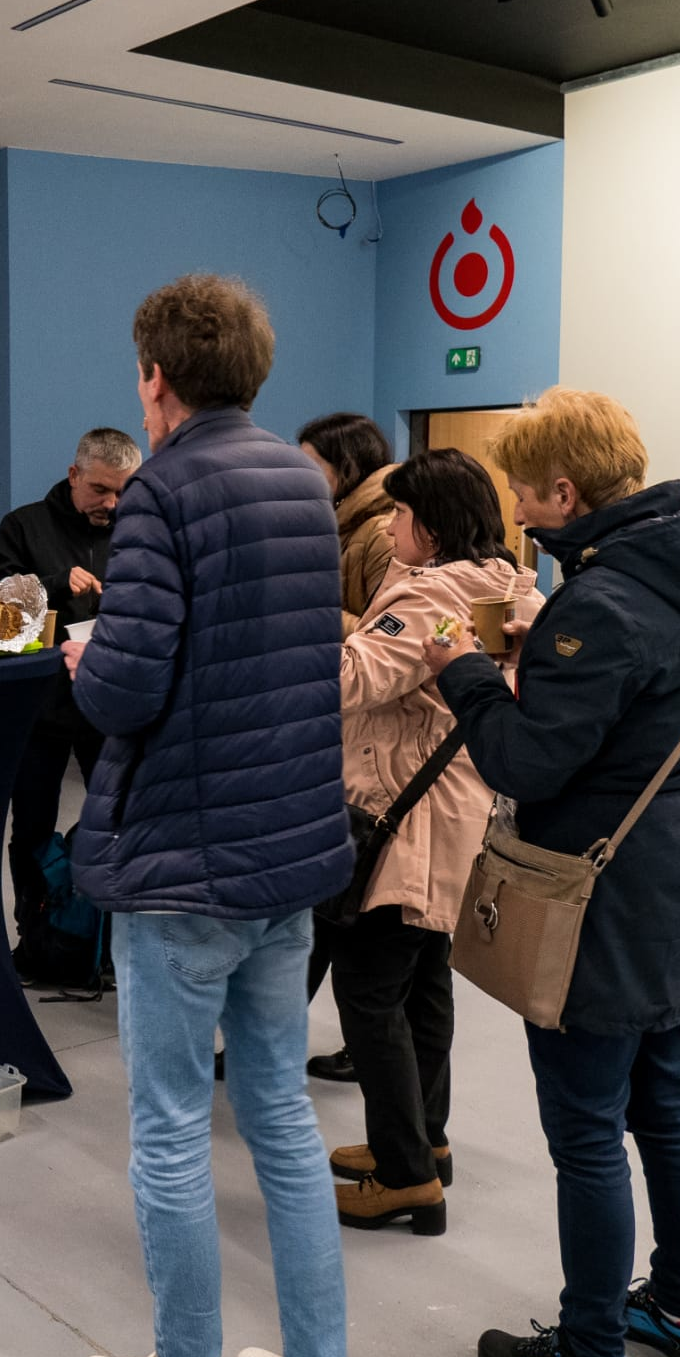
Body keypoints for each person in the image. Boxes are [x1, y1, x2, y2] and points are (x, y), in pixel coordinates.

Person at [424, 387, 680, 1357]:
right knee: (666, 1100)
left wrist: (466, 671)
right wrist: (552, 642)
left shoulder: (605, 603)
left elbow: (526, 757)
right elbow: (635, 707)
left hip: (599, 906)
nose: (517, 516)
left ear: (564, 489)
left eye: (524, 495)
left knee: (584, 1132)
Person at [65, 274, 359, 1357]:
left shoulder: (161, 492)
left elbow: (128, 683)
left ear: (153, 378)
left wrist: (79, 663)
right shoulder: (303, 479)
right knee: (281, 1117)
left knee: (173, 1129)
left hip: (184, 860)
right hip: (287, 855)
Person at [323, 448, 542, 1236]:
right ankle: (424, 1139)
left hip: (403, 818)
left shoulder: (426, 597)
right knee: (423, 983)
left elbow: (351, 679)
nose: (389, 527)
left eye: (400, 514)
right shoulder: (507, 588)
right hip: (458, 813)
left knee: (370, 990)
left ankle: (405, 1175)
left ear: (434, 525)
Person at [0, 427, 142, 956]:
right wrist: (56, 583)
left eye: (121, 492)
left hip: (109, 704)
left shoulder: (140, 531)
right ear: (73, 476)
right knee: (34, 825)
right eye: (100, 491)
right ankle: (35, 935)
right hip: (38, 705)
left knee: (118, 822)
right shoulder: (24, 525)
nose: (110, 504)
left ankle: (107, 940)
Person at [296, 412, 397, 1087]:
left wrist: (306, 609)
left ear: (345, 465)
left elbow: (390, 644)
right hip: (339, 738)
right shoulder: (348, 523)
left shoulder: (383, 531)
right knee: (320, 912)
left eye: (312, 462)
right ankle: (265, 1038)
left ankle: (272, 1040)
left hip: (366, 748)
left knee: (334, 913)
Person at [298, 412, 396, 621]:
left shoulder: (385, 531)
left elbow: (388, 633)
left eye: (311, 467)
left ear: (349, 467)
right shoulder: (337, 519)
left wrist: (312, 609)